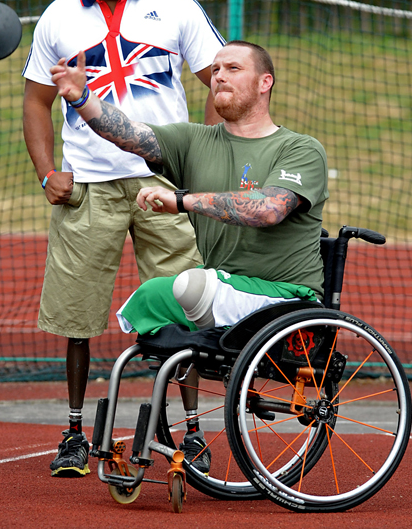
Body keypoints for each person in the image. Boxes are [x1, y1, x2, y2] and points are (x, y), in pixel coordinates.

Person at [50, 40, 330, 473]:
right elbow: (129, 133)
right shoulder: (195, 140)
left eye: (233, 68)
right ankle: (128, 448)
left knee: (191, 284)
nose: (218, 75)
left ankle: (191, 429)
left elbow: (270, 209)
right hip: (226, 294)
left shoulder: (299, 149)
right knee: (150, 296)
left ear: (264, 83)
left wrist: (182, 200)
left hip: (283, 300)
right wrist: (81, 97)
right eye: (215, 68)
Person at [21, 0, 226, 478]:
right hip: (86, 185)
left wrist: (201, 159)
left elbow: (221, 78)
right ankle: (73, 433)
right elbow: (37, 101)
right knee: (77, 316)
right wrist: (46, 173)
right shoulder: (59, 16)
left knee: (186, 303)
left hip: (164, 182)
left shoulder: (174, 4)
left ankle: (190, 431)